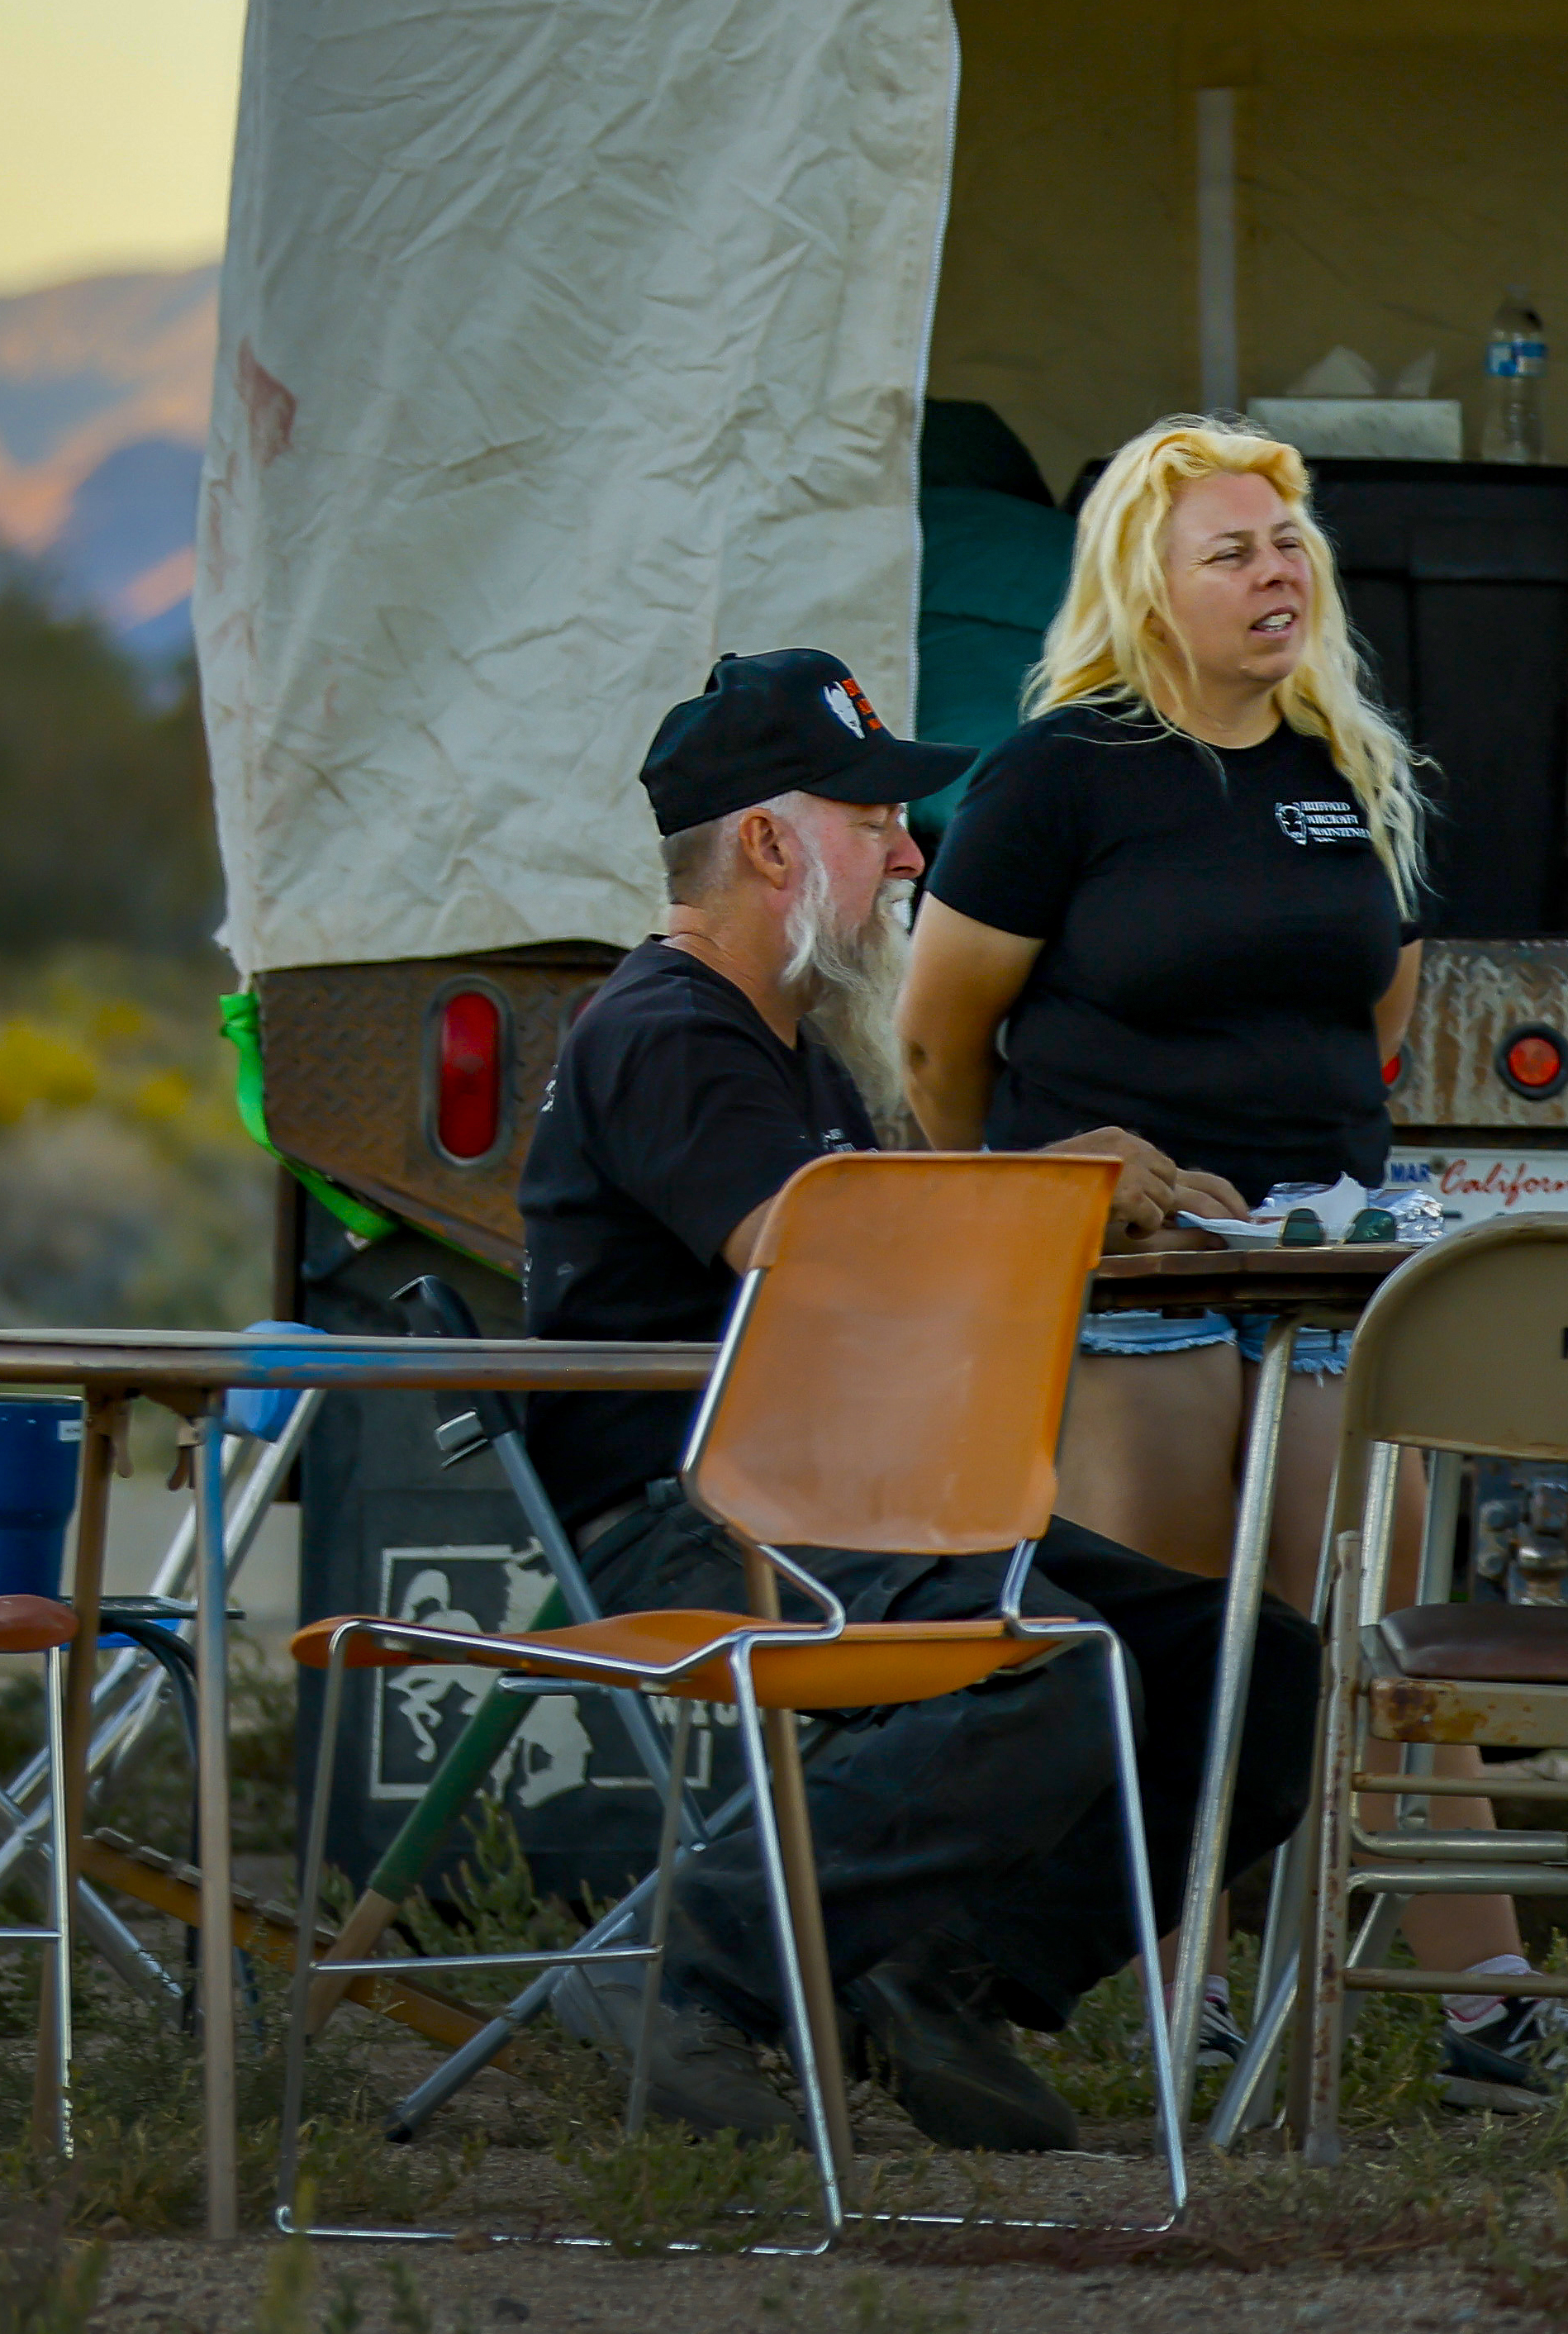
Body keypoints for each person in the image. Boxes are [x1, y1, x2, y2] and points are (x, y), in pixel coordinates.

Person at [516, 646, 1309, 2150]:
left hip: (846, 1499)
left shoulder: (788, 1045)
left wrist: (1114, 1213)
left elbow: (887, 1250)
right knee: (1044, 1663)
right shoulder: (663, 1029)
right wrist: (1050, 1184)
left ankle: (939, 1973)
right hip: (688, 1513)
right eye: (872, 813)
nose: (909, 848)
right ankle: (685, 1969)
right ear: (764, 843)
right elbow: (808, 1247)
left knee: (1249, 1661)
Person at [890, 419, 1568, 2108]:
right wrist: (1029, 1201)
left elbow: (1379, 1011)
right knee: (1179, 1662)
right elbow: (933, 1036)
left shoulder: (1345, 768)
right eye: (1234, 551)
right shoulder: (1057, 776)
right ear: (1149, 582)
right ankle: (1165, 1992)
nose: (1279, 573)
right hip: (1137, 1298)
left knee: (1375, 1649)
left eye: (1289, 546)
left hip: (1328, 1278)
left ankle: (1489, 2005)